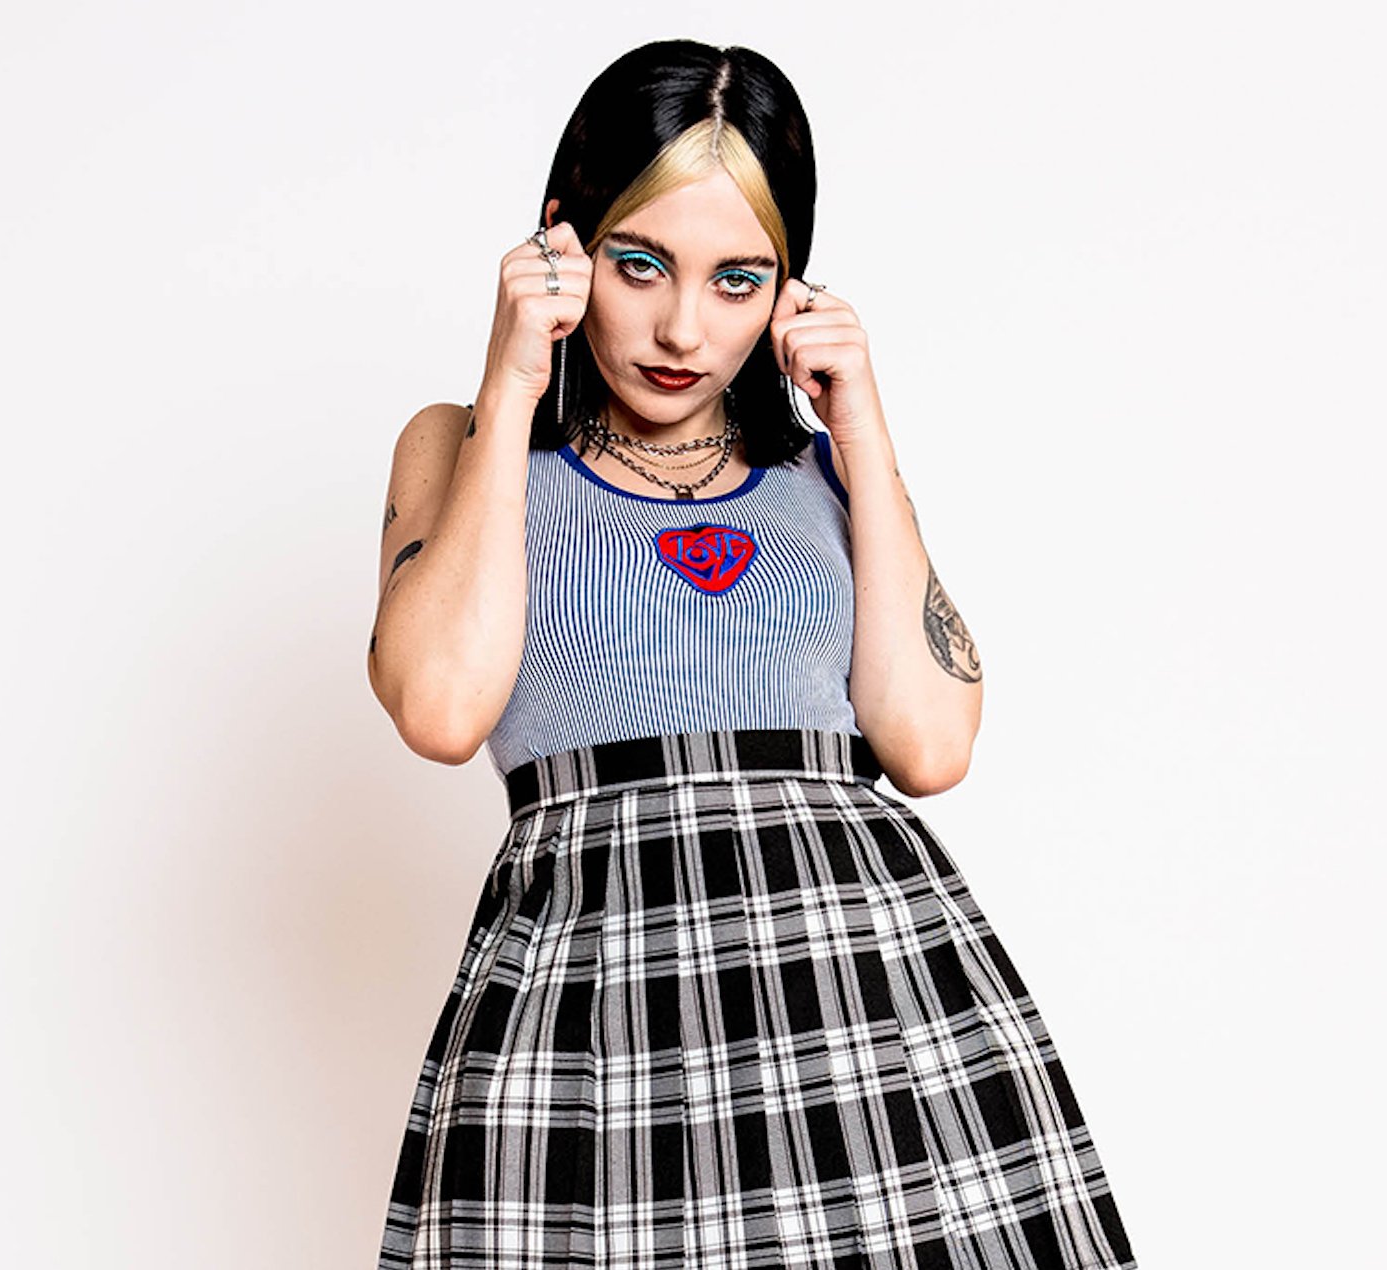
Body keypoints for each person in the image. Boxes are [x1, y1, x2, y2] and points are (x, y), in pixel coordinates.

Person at [367, 39, 1138, 1269]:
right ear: (560, 243)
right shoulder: (461, 448)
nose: (682, 327)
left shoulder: (825, 472)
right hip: (595, 1014)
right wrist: (512, 381)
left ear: (788, 291)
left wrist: (859, 420)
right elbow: (439, 705)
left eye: (738, 280)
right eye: (638, 264)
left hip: (855, 1002)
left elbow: (929, 745)